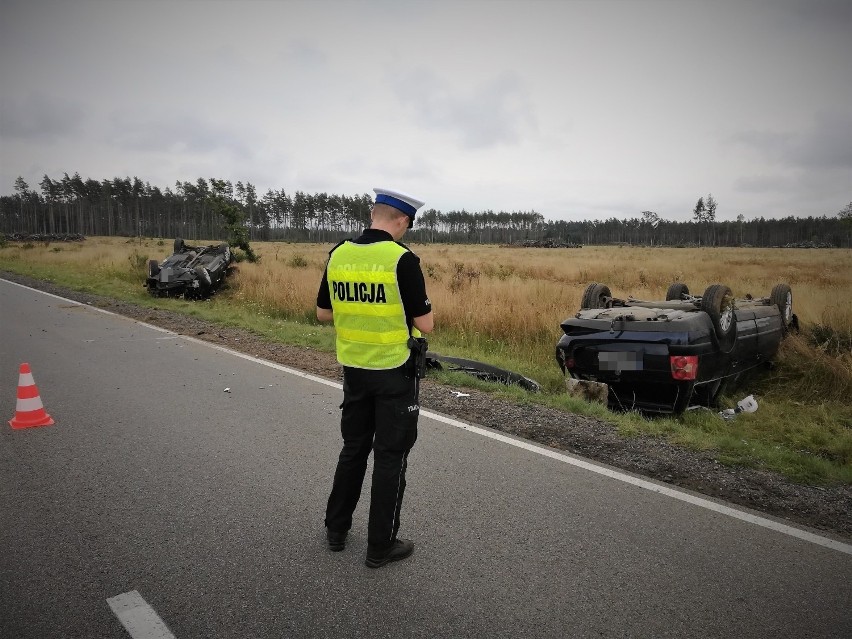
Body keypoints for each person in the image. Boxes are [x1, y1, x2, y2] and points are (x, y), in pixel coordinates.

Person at [316, 187, 434, 569]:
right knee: (390, 456)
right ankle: (380, 546)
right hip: (394, 373)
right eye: (408, 225)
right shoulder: (402, 259)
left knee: (353, 448)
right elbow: (425, 323)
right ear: (401, 220)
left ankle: (336, 531)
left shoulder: (339, 254)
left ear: (373, 214)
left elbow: (323, 314)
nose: (407, 231)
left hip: (354, 371)